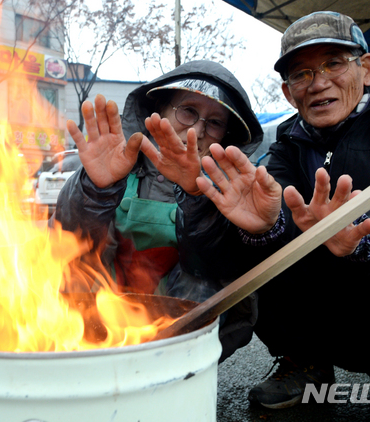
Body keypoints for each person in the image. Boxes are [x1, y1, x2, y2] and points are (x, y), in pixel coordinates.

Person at [154, 11, 370, 422]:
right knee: (256, 245)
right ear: (288, 92)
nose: (318, 82)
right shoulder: (286, 145)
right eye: (302, 74)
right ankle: (305, 363)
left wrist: (369, 233)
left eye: (334, 63)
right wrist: (258, 224)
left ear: (365, 69)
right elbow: (238, 245)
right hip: (331, 298)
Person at [54, 60, 269, 360]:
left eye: (215, 122)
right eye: (188, 111)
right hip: (102, 311)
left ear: (225, 137)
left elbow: (223, 265)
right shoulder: (115, 167)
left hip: (180, 327)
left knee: (203, 279)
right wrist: (96, 188)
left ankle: (176, 376)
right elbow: (63, 240)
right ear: (160, 111)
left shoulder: (231, 191)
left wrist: (197, 199)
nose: (197, 130)